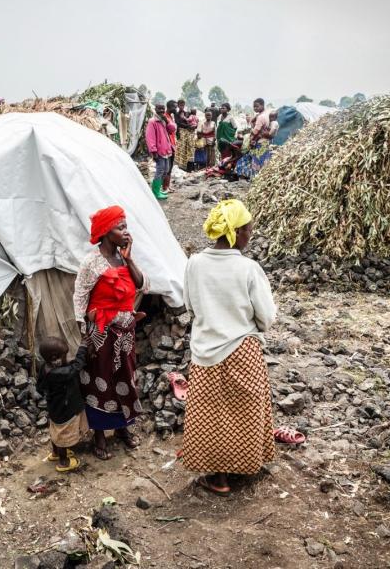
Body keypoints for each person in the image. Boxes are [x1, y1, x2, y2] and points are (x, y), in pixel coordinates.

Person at [182, 199, 277, 496]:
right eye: (248, 228)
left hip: (205, 350)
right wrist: (251, 326)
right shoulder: (248, 268)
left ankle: (219, 477)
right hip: (242, 350)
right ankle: (245, 466)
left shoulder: (194, 264)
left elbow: (191, 306)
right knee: (245, 410)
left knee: (211, 414)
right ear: (237, 232)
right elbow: (267, 316)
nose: (251, 234)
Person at [73, 206, 148, 460]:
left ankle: (123, 427)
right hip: (101, 334)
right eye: (120, 227)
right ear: (106, 232)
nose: (126, 232)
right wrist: (85, 335)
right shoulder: (92, 263)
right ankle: (99, 434)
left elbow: (141, 285)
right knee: (100, 381)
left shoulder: (123, 258)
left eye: (126, 226)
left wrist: (129, 258)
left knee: (125, 379)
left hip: (125, 333)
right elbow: (80, 298)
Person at [36, 337, 89, 472]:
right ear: (55, 359)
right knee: (64, 436)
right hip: (65, 411)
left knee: (55, 431)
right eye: (64, 356)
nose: (66, 359)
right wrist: (82, 348)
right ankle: (64, 461)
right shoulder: (57, 373)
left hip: (55, 409)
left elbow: (39, 387)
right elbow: (76, 367)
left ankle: (55, 453)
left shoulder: (45, 367)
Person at [145, 103, 175, 200]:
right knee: (160, 170)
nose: (161, 111)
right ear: (155, 109)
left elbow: (172, 130)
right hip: (159, 151)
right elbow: (150, 137)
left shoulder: (163, 120)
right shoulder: (152, 121)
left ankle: (158, 190)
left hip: (166, 150)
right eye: (159, 109)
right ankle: (155, 192)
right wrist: (153, 151)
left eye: (163, 109)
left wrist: (168, 122)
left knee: (166, 170)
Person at [173, 99, 196, 173]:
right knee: (181, 149)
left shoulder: (187, 113)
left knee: (189, 148)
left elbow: (191, 121)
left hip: (188, 133)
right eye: (180, 105)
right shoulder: (176, 114)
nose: (182, 106)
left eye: (183, 105)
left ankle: (189, 167)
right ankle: (181, 166)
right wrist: (188, 126)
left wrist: (191, 126)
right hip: (181, 132)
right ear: (178, 105)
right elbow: (178, 123)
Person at [163, 100, 179, 192]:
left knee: (170, 167)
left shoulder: (170, 117)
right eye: (174, 107)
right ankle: (164, 187)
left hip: (172, 144)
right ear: (169, 107)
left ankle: (167, 186)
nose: (176, 108)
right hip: (167, 145)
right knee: (167, 167)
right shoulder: (165, 117)